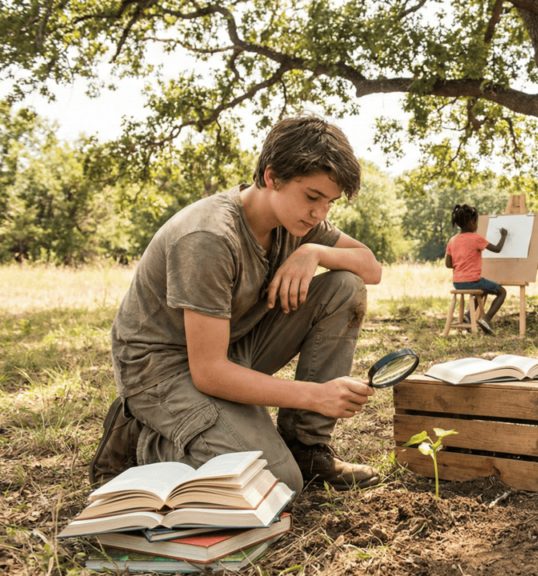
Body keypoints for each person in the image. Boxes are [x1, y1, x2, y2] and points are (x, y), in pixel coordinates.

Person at [89, 115, 384, 498]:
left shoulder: (299, 225)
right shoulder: (209, 236)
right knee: (278, 483)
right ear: (271, 177)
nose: (320, 213)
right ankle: (144, 439)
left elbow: (371, 268)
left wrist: (314, 252)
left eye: (329, 202)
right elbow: (209, 373)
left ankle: (307, 448)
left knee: (345, 285)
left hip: (228, 349)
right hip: (162, 372)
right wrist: (316, 394)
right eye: (312, 197)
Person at [445, 204, 507, 335]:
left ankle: (467, 315)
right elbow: (497, 249)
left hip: (457, 283)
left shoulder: (452, 240)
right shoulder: (476, 238)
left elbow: (448, 264)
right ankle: (486, 319)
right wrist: (503, 236)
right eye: (476, 222)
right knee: (502, 292)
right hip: (473, 281)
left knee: (484, 289)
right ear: (471, 222)